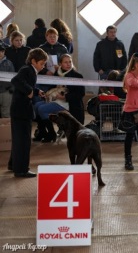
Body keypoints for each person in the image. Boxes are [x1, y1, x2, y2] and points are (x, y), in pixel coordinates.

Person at [8, 48, 48, 177]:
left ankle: (13, 164)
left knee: (18, 139)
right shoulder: (27, 70)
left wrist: (36, 91)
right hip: (21, 111)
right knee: (23, 141)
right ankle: (21, 170)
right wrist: (29, 91)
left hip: (19, 110)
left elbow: (25, 83)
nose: (43, 66)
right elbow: (16, 81)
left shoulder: (30, 70)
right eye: (41, 63)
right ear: (33, 61)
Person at [33, 54, 85, 142]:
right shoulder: (57, 73)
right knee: (36, 105)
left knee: (42, 108)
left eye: (70, 62)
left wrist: (64, 97)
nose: (68, 64)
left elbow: (80, 94)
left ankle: (51, 134)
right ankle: (42, 132)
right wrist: (47, 94)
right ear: (60, 64)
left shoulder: (77, 76)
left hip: (69, 103)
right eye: (65, 62)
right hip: (56, 100)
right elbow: (52, 87)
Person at [0, 44, 15, 117]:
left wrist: (11, 89)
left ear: (4, 52)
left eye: (2, 51)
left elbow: (12, 78)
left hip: (6, 91)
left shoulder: (9, 63)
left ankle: (6, 128)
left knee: (6, 112)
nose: (0, 53)